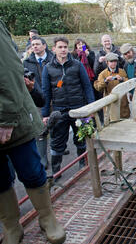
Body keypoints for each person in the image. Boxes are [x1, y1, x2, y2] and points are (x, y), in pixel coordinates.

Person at [0, 20, 66, 244]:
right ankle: (11, 225)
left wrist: (6, 118)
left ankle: (47, 217)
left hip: (12, 116)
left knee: (31, 170)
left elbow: (8, 71)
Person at [42, 36, 95, 178]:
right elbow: (46, 93)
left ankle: (83, 165)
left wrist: (91, 109)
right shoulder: (48, 68)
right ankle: (56, 172)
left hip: (78, 109)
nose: (63, 49)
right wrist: (45, 114)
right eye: (60, 47)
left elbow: (87, 87)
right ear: (53, 49)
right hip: (59, 111)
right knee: (57, 142)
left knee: (81, 139)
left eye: (65, 47)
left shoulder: (77, 65)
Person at [23, 36, 54, 169]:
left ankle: (56, 152)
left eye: (37, 44)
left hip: (53, 97)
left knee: (54, 125)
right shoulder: (27, 62)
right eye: (32, 44)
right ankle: (43, 159)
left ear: (44, 46)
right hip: (37, 99)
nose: (34, 46)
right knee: (40, 129)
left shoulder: (52, 59)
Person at [94, 52, 130, 118]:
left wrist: (122, 79)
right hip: (109, 104)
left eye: (115, 61)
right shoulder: (103, 74)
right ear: (107, 62)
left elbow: (128, 84)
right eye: (111, 61)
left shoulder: (122, 71)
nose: (114, 63)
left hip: (122, 103)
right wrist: (105, 81)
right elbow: (98, 88)